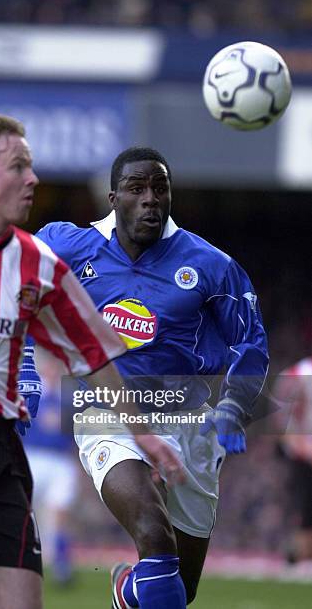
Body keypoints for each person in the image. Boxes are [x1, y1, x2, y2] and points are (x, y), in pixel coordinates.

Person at [0, 121, 182, 609]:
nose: (34, 178)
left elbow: (95, 352)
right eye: (19, 166)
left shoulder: (40, 264)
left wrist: (142, 434)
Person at [22, 147, 269, 608]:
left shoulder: (212, 265)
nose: (150, 199)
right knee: (155, 541)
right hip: (107, 416)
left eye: (160, 188)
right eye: (137, 189)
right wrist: (25, 368)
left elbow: (250, 343)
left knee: (176, 591)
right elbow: (12, 288)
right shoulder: (69, 247)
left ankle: (126, 589)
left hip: (192, 425)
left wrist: (236, 405)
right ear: (114, 197)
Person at [22, 358, 78, 584]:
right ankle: (22, 562)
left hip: (60, 461)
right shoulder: (31, 394)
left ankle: (61, 565)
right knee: (25, 512)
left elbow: (76, 430)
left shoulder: (69, 397)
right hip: (32, 456)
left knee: (59, 513)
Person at [272, 356, 312, 563]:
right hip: (301, 453)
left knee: (303, 508)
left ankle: (297, 552)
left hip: (299, 451)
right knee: (304, 508)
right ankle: (297, 553)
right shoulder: (298, 375)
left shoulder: (294, 373)